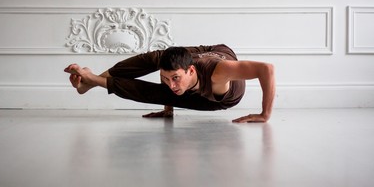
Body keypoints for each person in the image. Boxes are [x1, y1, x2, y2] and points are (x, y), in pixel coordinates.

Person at [64, 44, 275, 123]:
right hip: (208, 51)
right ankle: (88, 83)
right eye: (165, 78)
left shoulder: (219, 71)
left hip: (218, 99)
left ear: (191, 70)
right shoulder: (175, 74)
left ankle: (92, 80)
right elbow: (170, 80)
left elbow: (267, 69)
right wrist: (168, 110)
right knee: (159, 57)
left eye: (175, 78)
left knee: (155, 93)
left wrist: (264, 114)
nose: (170, 84)